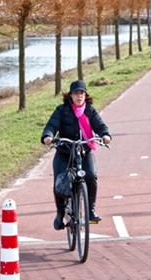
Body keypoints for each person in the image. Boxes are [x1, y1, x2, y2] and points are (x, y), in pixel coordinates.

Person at [41, 80, 111, 230]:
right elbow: (51, 125)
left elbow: (100, 126)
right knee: (59, 182)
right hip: (65, 152)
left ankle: (90, 211)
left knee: (91, 176)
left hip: (84, 151)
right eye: (76, 93)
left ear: (86, 95)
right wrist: (48, 136)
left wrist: (105, 135)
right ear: (70, 95)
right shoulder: (62, 110)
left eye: (82, 93)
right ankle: (60, 214)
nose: (79, 96)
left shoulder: (90, 111)